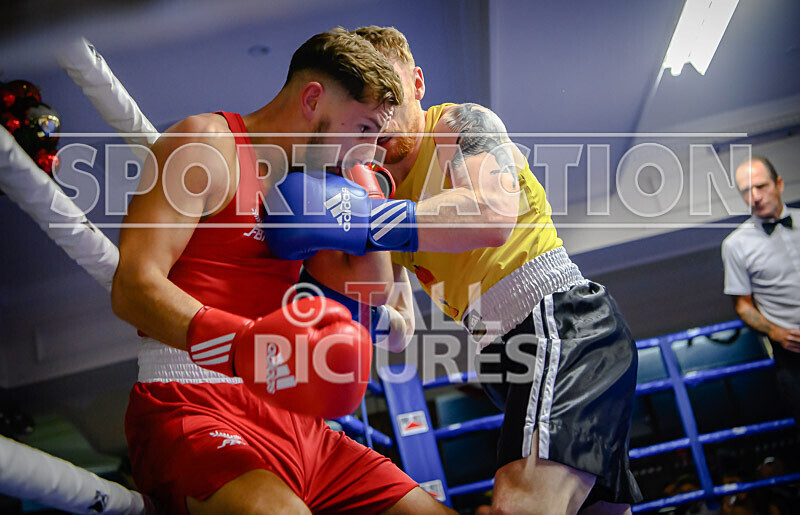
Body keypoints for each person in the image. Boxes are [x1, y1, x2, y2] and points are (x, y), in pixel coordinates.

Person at [263, 25, 642, 514]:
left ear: (418, 83)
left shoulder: (458, 124)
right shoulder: (373, 187)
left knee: (519, 505)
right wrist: (354, 311)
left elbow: (491, 215)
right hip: (504, 353)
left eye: (393, 96)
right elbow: (399, 325)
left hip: (559, 323)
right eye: (370, 104)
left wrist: (367, 220)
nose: (384, 117)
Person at [111, 28, 452, 514]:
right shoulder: (206, 144)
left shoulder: (312, 188)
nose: (369, 150)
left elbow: (372, 292)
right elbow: (132, 288)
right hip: (191, 402)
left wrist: (366, 197)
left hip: (294, 419)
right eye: (362, 130)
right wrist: (241, 346)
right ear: (312, 99)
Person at [722, 157, 800, 424]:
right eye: (746, 191)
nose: (755, 196)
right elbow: (742, 304)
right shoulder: (736, 245)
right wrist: (774, 331)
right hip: (792, 353)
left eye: (761, 186)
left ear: (779, 184)